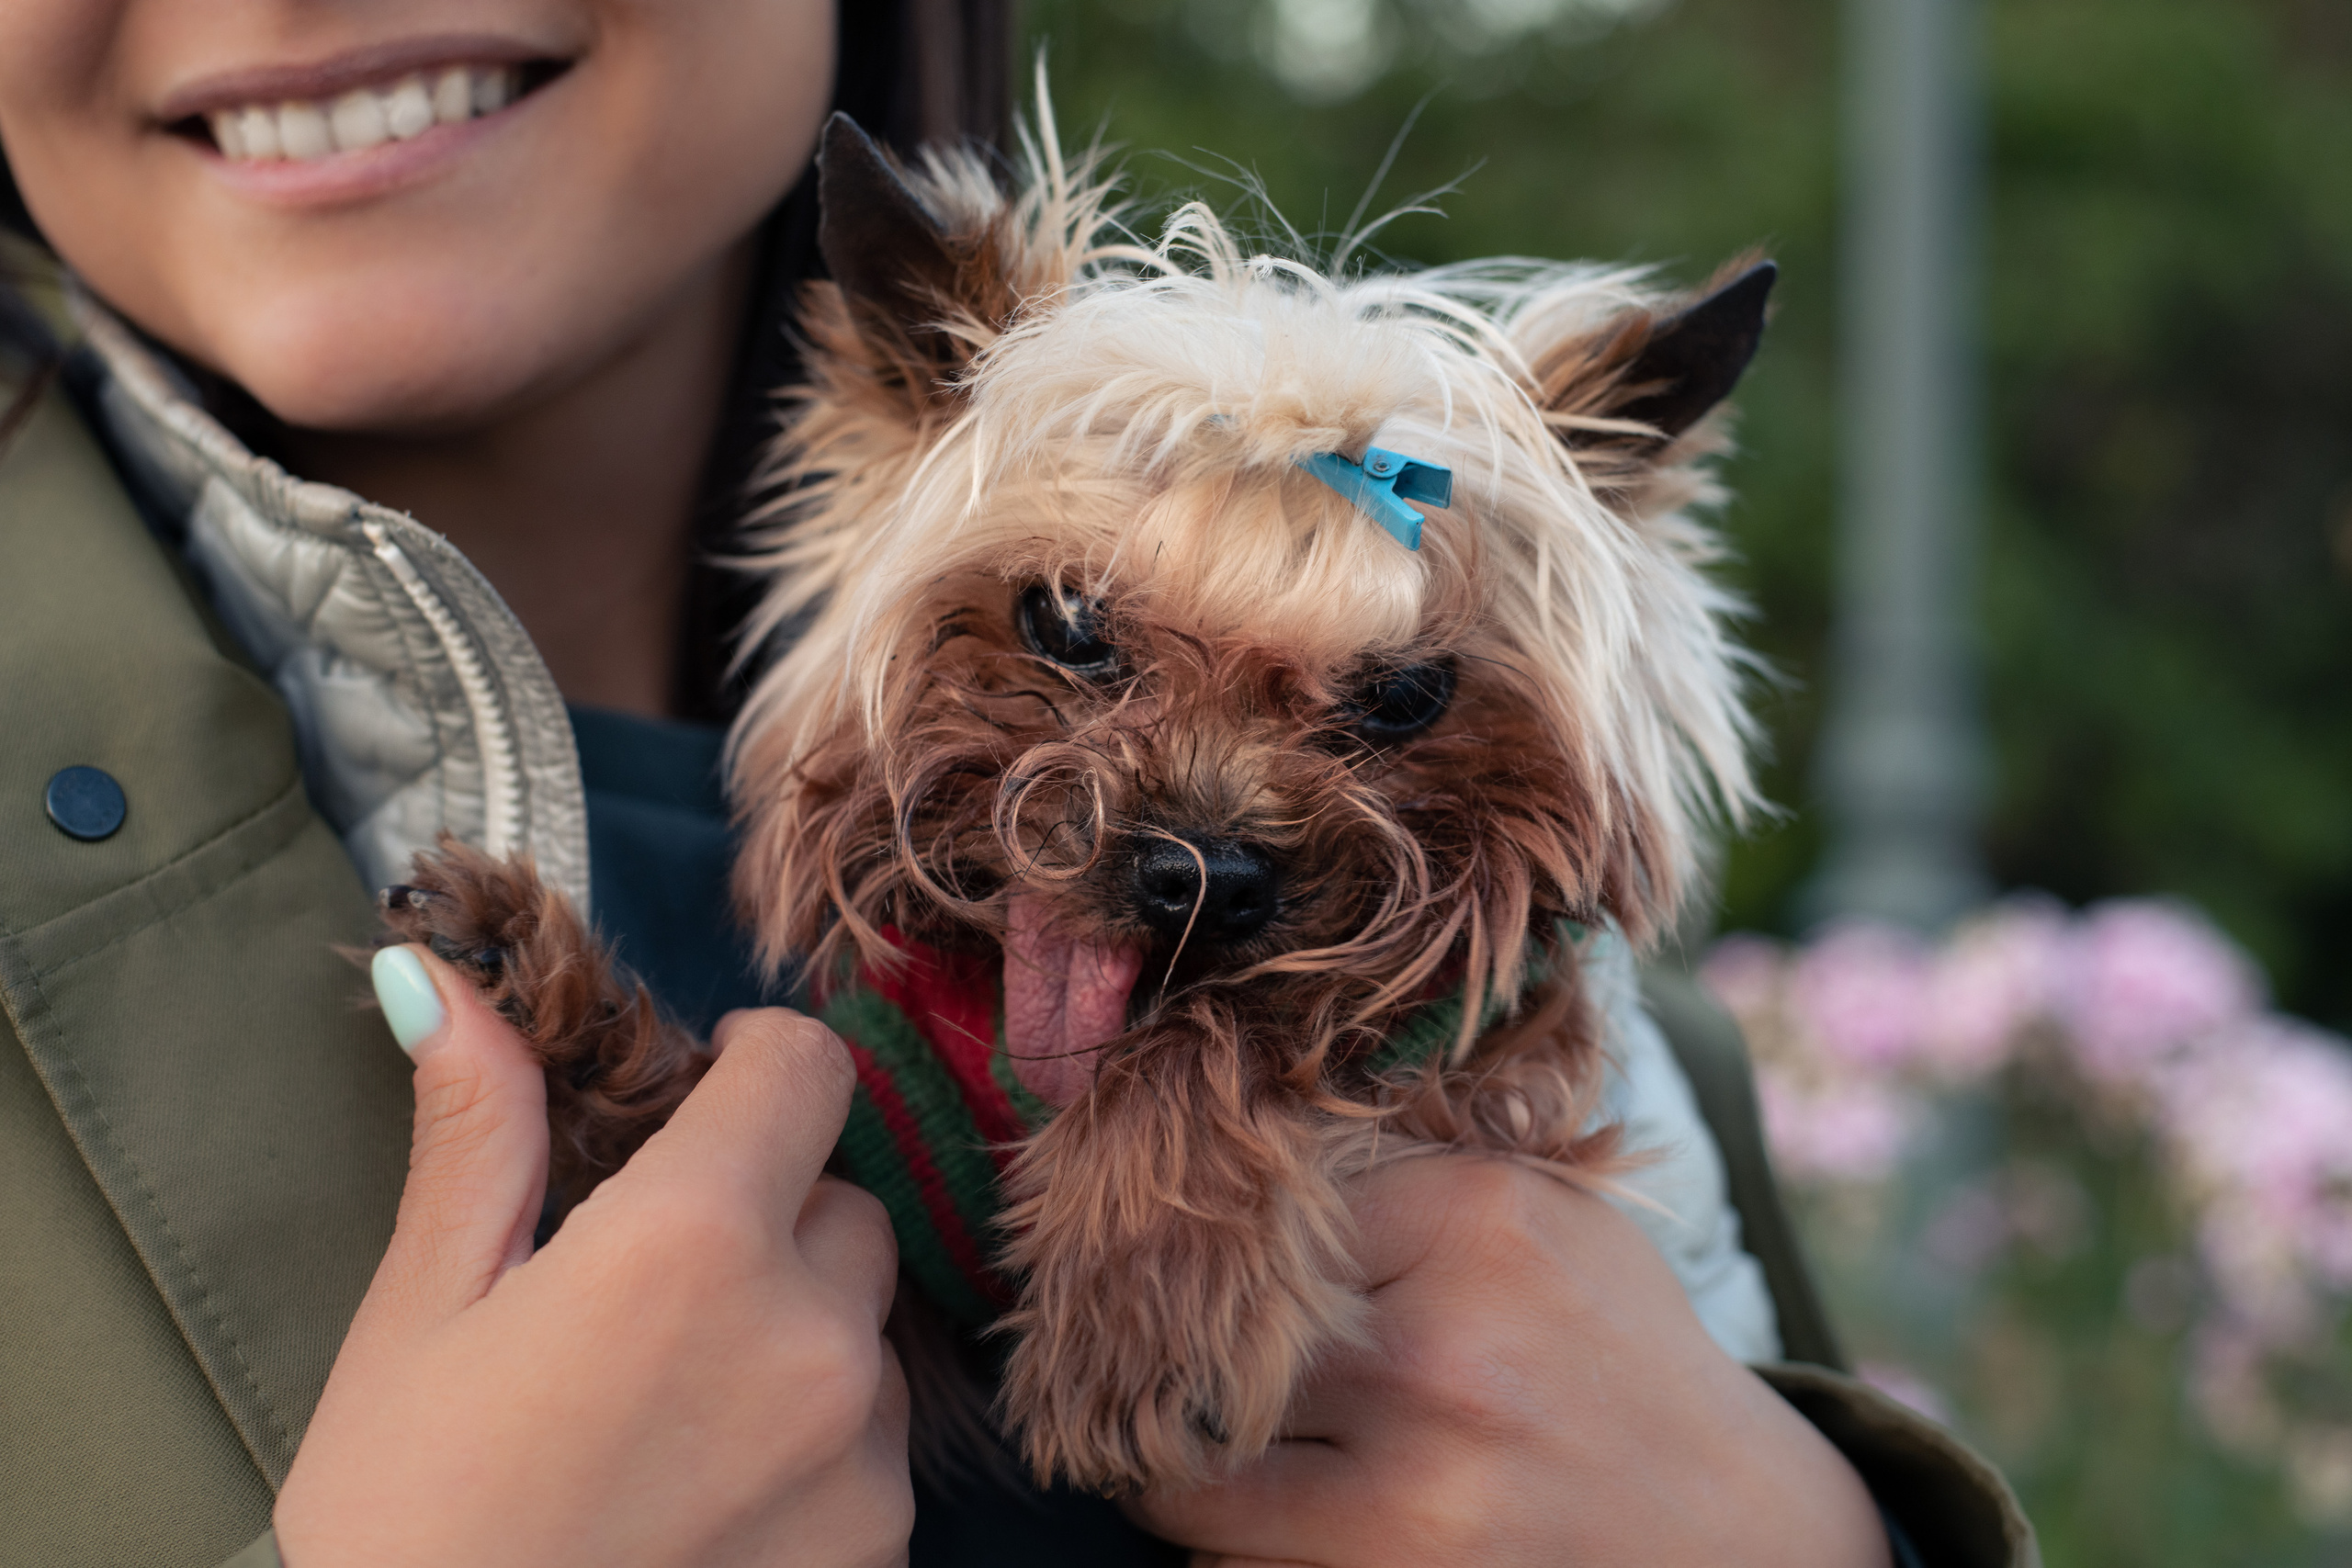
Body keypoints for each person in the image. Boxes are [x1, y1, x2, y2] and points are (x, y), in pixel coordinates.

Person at [0, 3, 2035, 1564]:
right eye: (1078, 642)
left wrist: (1810, 1532)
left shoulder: (1617, 1058)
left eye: (1386, 705)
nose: (1204, 820)